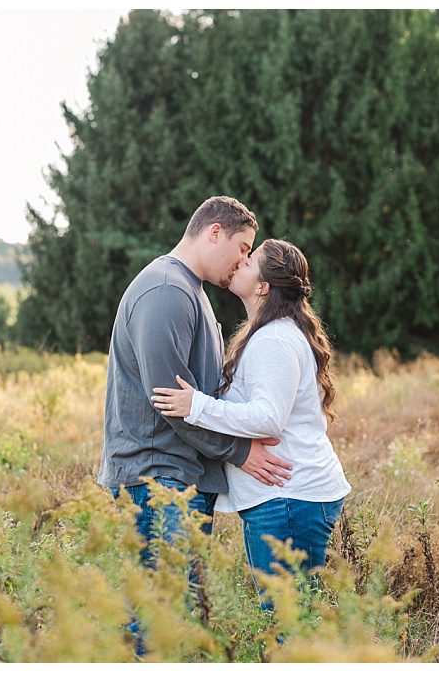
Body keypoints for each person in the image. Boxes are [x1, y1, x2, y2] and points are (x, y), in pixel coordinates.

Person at [96, 196, 294, 650]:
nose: (245, 260)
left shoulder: (191, 292)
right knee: (155, 621)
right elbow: (171, 401)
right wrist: (239, 453)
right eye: (243, 247)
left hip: (178, 481)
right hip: (156, 482)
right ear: (214, 233)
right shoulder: (165, 291)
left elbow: (201, 396)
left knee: (171, 620)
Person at [151, 238, 351, 609]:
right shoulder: (266, 334)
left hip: (289, 495)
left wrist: (197, 406)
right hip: (284, 493)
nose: (240, 260)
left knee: (285, 621)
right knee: (289, 616)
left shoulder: (274, 339)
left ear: (263, 286)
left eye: (249, 259)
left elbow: (268, 419)